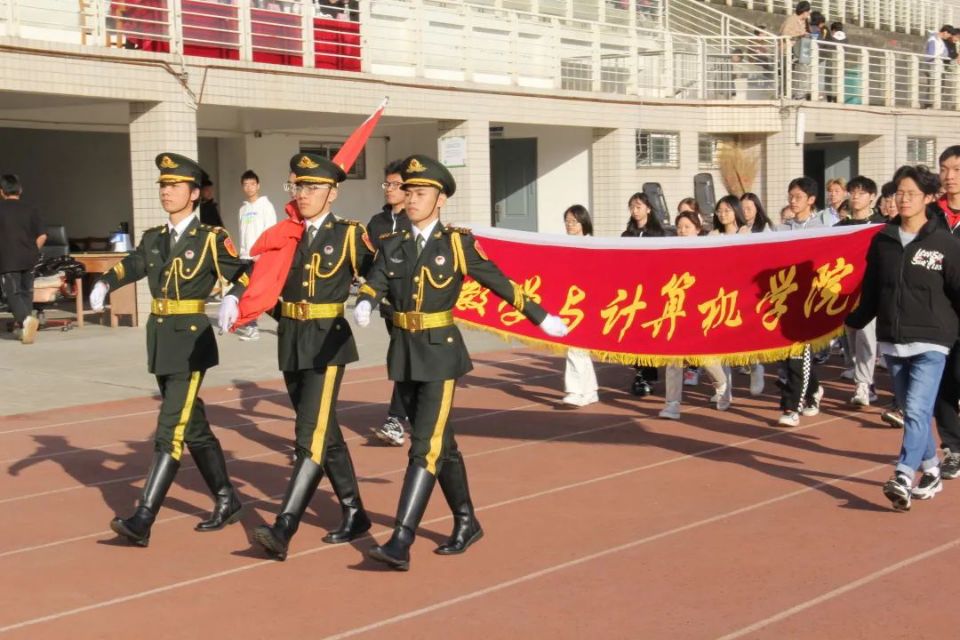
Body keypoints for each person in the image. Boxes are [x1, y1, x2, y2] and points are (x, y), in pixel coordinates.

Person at [353, 154, 568, 571]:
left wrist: (540, 316)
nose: (411, 199)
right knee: (442, 444)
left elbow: (498, 281)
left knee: (424, 446)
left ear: (441, 199)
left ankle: (401, 539)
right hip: (404, 351)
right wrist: (365, 300)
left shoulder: (455, 243)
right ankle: (466, 521)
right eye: (408, 191)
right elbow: (376, 280)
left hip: (440, 353)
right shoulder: (392, 243)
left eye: (420, 193)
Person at [89, 153, 251, 546]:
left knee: (169, 430)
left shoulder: (211, 238)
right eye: (163, 185)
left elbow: (245, 270)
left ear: (194, 194)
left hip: (191, 342)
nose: (166, 192)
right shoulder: (154, 238)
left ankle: (143, 517)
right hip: (162, 338)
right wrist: (105, 282)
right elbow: (133, 264)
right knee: (192, 426)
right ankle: (227, 499)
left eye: (175, 185)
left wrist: (234, 296)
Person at [249, 152, 374, 561]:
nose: (302, 194)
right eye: (298, 186)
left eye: (312, 187)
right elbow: (269, 282)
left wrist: (369, 300)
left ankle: (284, 526)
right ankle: (354, 512)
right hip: (291, 338)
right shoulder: (287, 234)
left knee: (308, 436)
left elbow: (380, 273)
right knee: (326, 432)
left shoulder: (349, 234)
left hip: (327, 344)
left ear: (332, 193)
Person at [846, 165, 960, 511]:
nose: (904, 199)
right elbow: (872, 290)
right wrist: (853, 320)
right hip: (893, 339)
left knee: (918, 410)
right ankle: (931, 469)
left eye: (911, 193)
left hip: (933, 341)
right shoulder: (883, 241)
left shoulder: (944, 243)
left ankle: (903, 474)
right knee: (913, 411)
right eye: (899, 193)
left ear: (928, 198)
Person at [658, 211, 733, 420]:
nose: (682, 231)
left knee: (704, 357)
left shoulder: (706, 251)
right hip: (676, 311)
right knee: (673, 359)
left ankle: (722, 385)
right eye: (679, 227)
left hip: (700, 312)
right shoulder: (670, 251)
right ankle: (672, 404)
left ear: (698, 230)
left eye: (687, 227)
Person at [366, 159, 414, 446]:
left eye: (396, 185)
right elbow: (366, 260)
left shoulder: (415, 220)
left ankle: (396, 418)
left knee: (405, 358)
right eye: (387, 184)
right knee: (404, 360)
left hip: (415, 305)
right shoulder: (377, 223)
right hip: (388, 306)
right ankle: (411, 412)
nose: (389, 189)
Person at [775, 177, 826, 427]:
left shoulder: (824, 227)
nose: (793, 201)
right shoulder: (781, 229)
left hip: (811, 301)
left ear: (811, 200)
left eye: (798, 197)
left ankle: (791, 407)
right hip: (785, 300)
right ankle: (813, 389)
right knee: (786, 356)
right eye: (791, 196)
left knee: (799, 354)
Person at [835, 176, 881, 406]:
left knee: (866, 335)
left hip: (871, 291)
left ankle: (864, 383)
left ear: (872, 197)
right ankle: (862, 377)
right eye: (853, 192)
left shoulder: (882, 226)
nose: (855, 197)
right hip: (845, 292)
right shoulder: (840, 228)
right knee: (850, 337)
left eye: (861, 193)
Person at [930, 145, 960, 479]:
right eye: (944, 169)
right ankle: (953, 448)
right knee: (944, 383)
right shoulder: (930, 215)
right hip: (937, 313)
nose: (949, 176)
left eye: (957, 169)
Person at [622, 192, 664, 396]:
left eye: (638, 206)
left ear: (648, 209)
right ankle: (640, 373)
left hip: (651, 291)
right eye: (632, 207)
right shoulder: (626, 235)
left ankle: (648, 375)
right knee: (634, 335)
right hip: (632, 292)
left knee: (649, 335)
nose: (635, 211)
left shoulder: (658, 234)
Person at [0, 174, 45, 344]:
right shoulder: (31, 209)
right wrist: (33, 251)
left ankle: (26, 321)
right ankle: (26, 331)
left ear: (1, 191)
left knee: (13, 294)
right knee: (27, 293)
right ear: (20, 189)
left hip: (8, 259)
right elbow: (42, 235)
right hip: (29, 258)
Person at [561, 205, 599, 407]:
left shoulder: (592, 245)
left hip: (587, 305)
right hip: (570, 304)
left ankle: (575, 391)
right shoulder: (564, 245)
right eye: (567, 221)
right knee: (578, 348)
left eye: (573, 221)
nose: (570, 225)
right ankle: (590, 391)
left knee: (575, 348)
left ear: (583, 222)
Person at [235, 169, 277, 342]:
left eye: (252, 184)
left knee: (256, 294)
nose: (249, 187)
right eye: (246, 184)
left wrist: (265, 253)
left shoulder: (265, 206)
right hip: (245, 257)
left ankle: (254, 327)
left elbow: (271, 232)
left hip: (260, 257)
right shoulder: (243, 209)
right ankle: (252, 326)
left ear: (258, 185)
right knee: (248, 293)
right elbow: (242, 233)